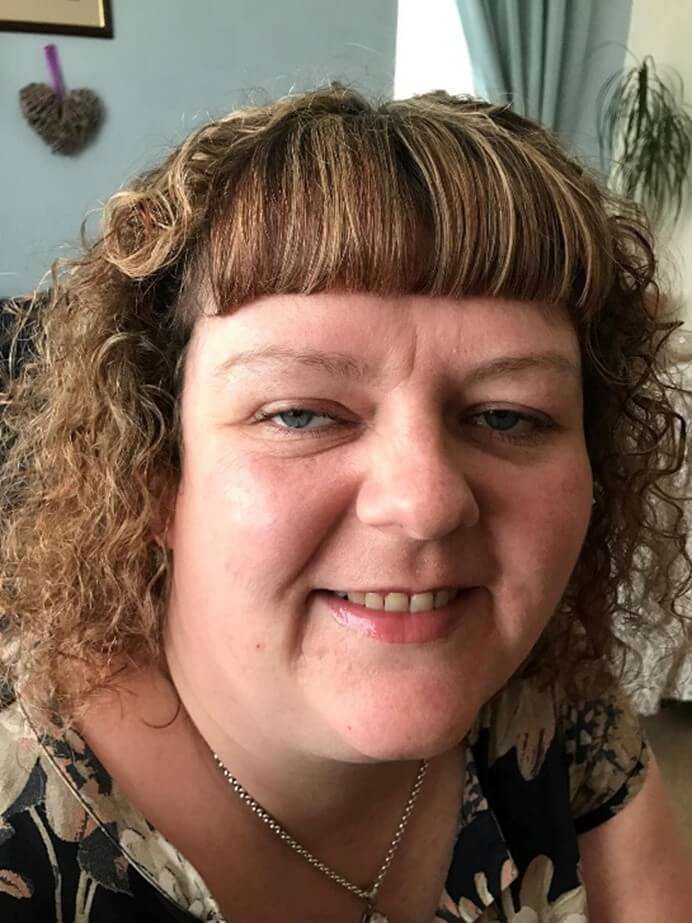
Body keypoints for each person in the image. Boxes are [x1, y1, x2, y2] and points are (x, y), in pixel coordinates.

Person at [0, 85, 690, 923]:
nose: (425, 503)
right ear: (154, 470)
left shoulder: (558, 705)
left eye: (509, 415)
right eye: (300, 414)